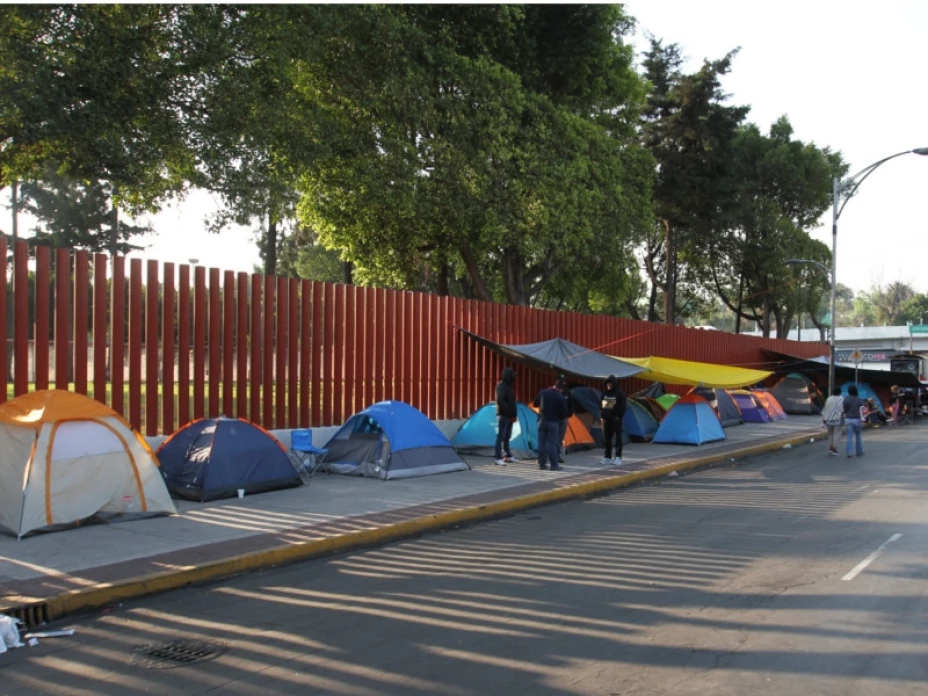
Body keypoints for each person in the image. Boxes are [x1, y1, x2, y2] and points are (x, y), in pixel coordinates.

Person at [533, 380, 569, 471]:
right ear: (561, 389)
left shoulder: (543, 392)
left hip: (541, 421)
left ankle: (542, 464)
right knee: (552, 444)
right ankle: (554, 465)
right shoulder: (560, 397)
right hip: (553, 422)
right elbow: (564, 413)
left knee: (541, 443)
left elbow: (535, 404)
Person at [494, 367, 519, 466]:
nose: (513, 377)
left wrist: (513, 414)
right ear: (507, 375)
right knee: (500, 436)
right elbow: (500, 400)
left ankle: (507, 455)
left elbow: (511, 402)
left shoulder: (509, 386)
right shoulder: (501, 386)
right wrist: (509, 411)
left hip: (509, 416)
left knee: (507, 437)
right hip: (503, 415)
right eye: (512, 375)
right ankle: (497, 457)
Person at [600, 375, 627, 465]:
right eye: (607, 384)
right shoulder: (604, 393)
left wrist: (618, 416)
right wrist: (602, 416)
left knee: (618, 438)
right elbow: (601, 406)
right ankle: (607, 457)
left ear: (614, 384)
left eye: (610, 384)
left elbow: (622, 406)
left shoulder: (620, 394)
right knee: (607, 439)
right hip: (606, 420)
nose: (609, 385)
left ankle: (618, 457)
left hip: (616, 420)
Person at [555, 375, 575, 464]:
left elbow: (571, 405)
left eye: (563, 381)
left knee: (560, 438)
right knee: (552, 437)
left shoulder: (568, 393)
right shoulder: (553, 392)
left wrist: (568, 414)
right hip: (554, 418)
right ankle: (549, 455)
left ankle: (557, 456)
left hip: (563, 418)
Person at [842, 384, 865, 458]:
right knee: (858, 436)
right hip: (857, 419)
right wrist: (863, 419)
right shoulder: (859, 399)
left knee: (849, 437)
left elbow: (844, 409)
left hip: (848, 419)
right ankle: (859, 451)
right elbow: (862, 410)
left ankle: (849, 453)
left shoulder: (846, 399)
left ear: (849, 391)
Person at [821, 386, 844, 456]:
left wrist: (823, 419)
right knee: (837, 434)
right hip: (837, 418)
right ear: (840, 392)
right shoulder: (842, 399)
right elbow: (842, 409)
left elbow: (825, 408)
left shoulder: (829, 399)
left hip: (828, 419)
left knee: (830, 434)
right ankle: (835, 449)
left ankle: (830, 447)